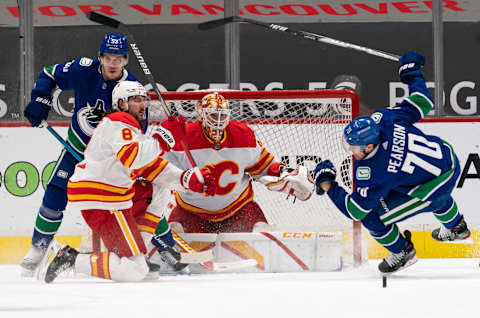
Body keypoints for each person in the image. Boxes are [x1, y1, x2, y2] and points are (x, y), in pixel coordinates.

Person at [313, 50, 471, 274]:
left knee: (373, 216)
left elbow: (356, 211)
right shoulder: (384, 119)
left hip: (434, 185)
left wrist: (327, 182)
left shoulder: (373, 170)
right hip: (446, 156)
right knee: (414, 184)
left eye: (354, 147)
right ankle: (457, 227)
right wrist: (411, 73)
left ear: (369, 147)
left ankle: (403, 251)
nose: (350, 150)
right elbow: (422, 102)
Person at [42, 81, 216, 283]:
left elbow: (150, 167)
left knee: (158, 188)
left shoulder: (129, 128)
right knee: (135, 271)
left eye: (144, 100)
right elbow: (133, 158)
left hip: (110, 196)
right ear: (122, 103)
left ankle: (137, 257)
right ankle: (70, 258)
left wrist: (187, 178)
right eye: (136, 100)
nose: (143, 105)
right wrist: (164, 139)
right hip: (103, 198)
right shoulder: (119, 120)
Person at [20, 33, 139, 276]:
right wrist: (40, 100)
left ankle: (134, 248)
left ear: (126, 60)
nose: (113, 63)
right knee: (55, 192)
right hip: (76, 150)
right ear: (100, 57)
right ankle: (39, 247)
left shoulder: (132, 89)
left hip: (110, 162)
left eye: (118, 58)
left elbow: (138, 130)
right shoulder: (84, 70)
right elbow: (50, 74)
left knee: (124, 204)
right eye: (108, 57)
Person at [162, 92, 315, 233]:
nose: (219, 121)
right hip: (191, 211)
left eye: (222, 116)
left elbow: (265, 165)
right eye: (214, 116)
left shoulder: (243, 135)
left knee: (262, 232)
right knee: (174, 231)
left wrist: (285, 173)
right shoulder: (183, 138)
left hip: (238, 209)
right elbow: (161, 171)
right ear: (202, 116)